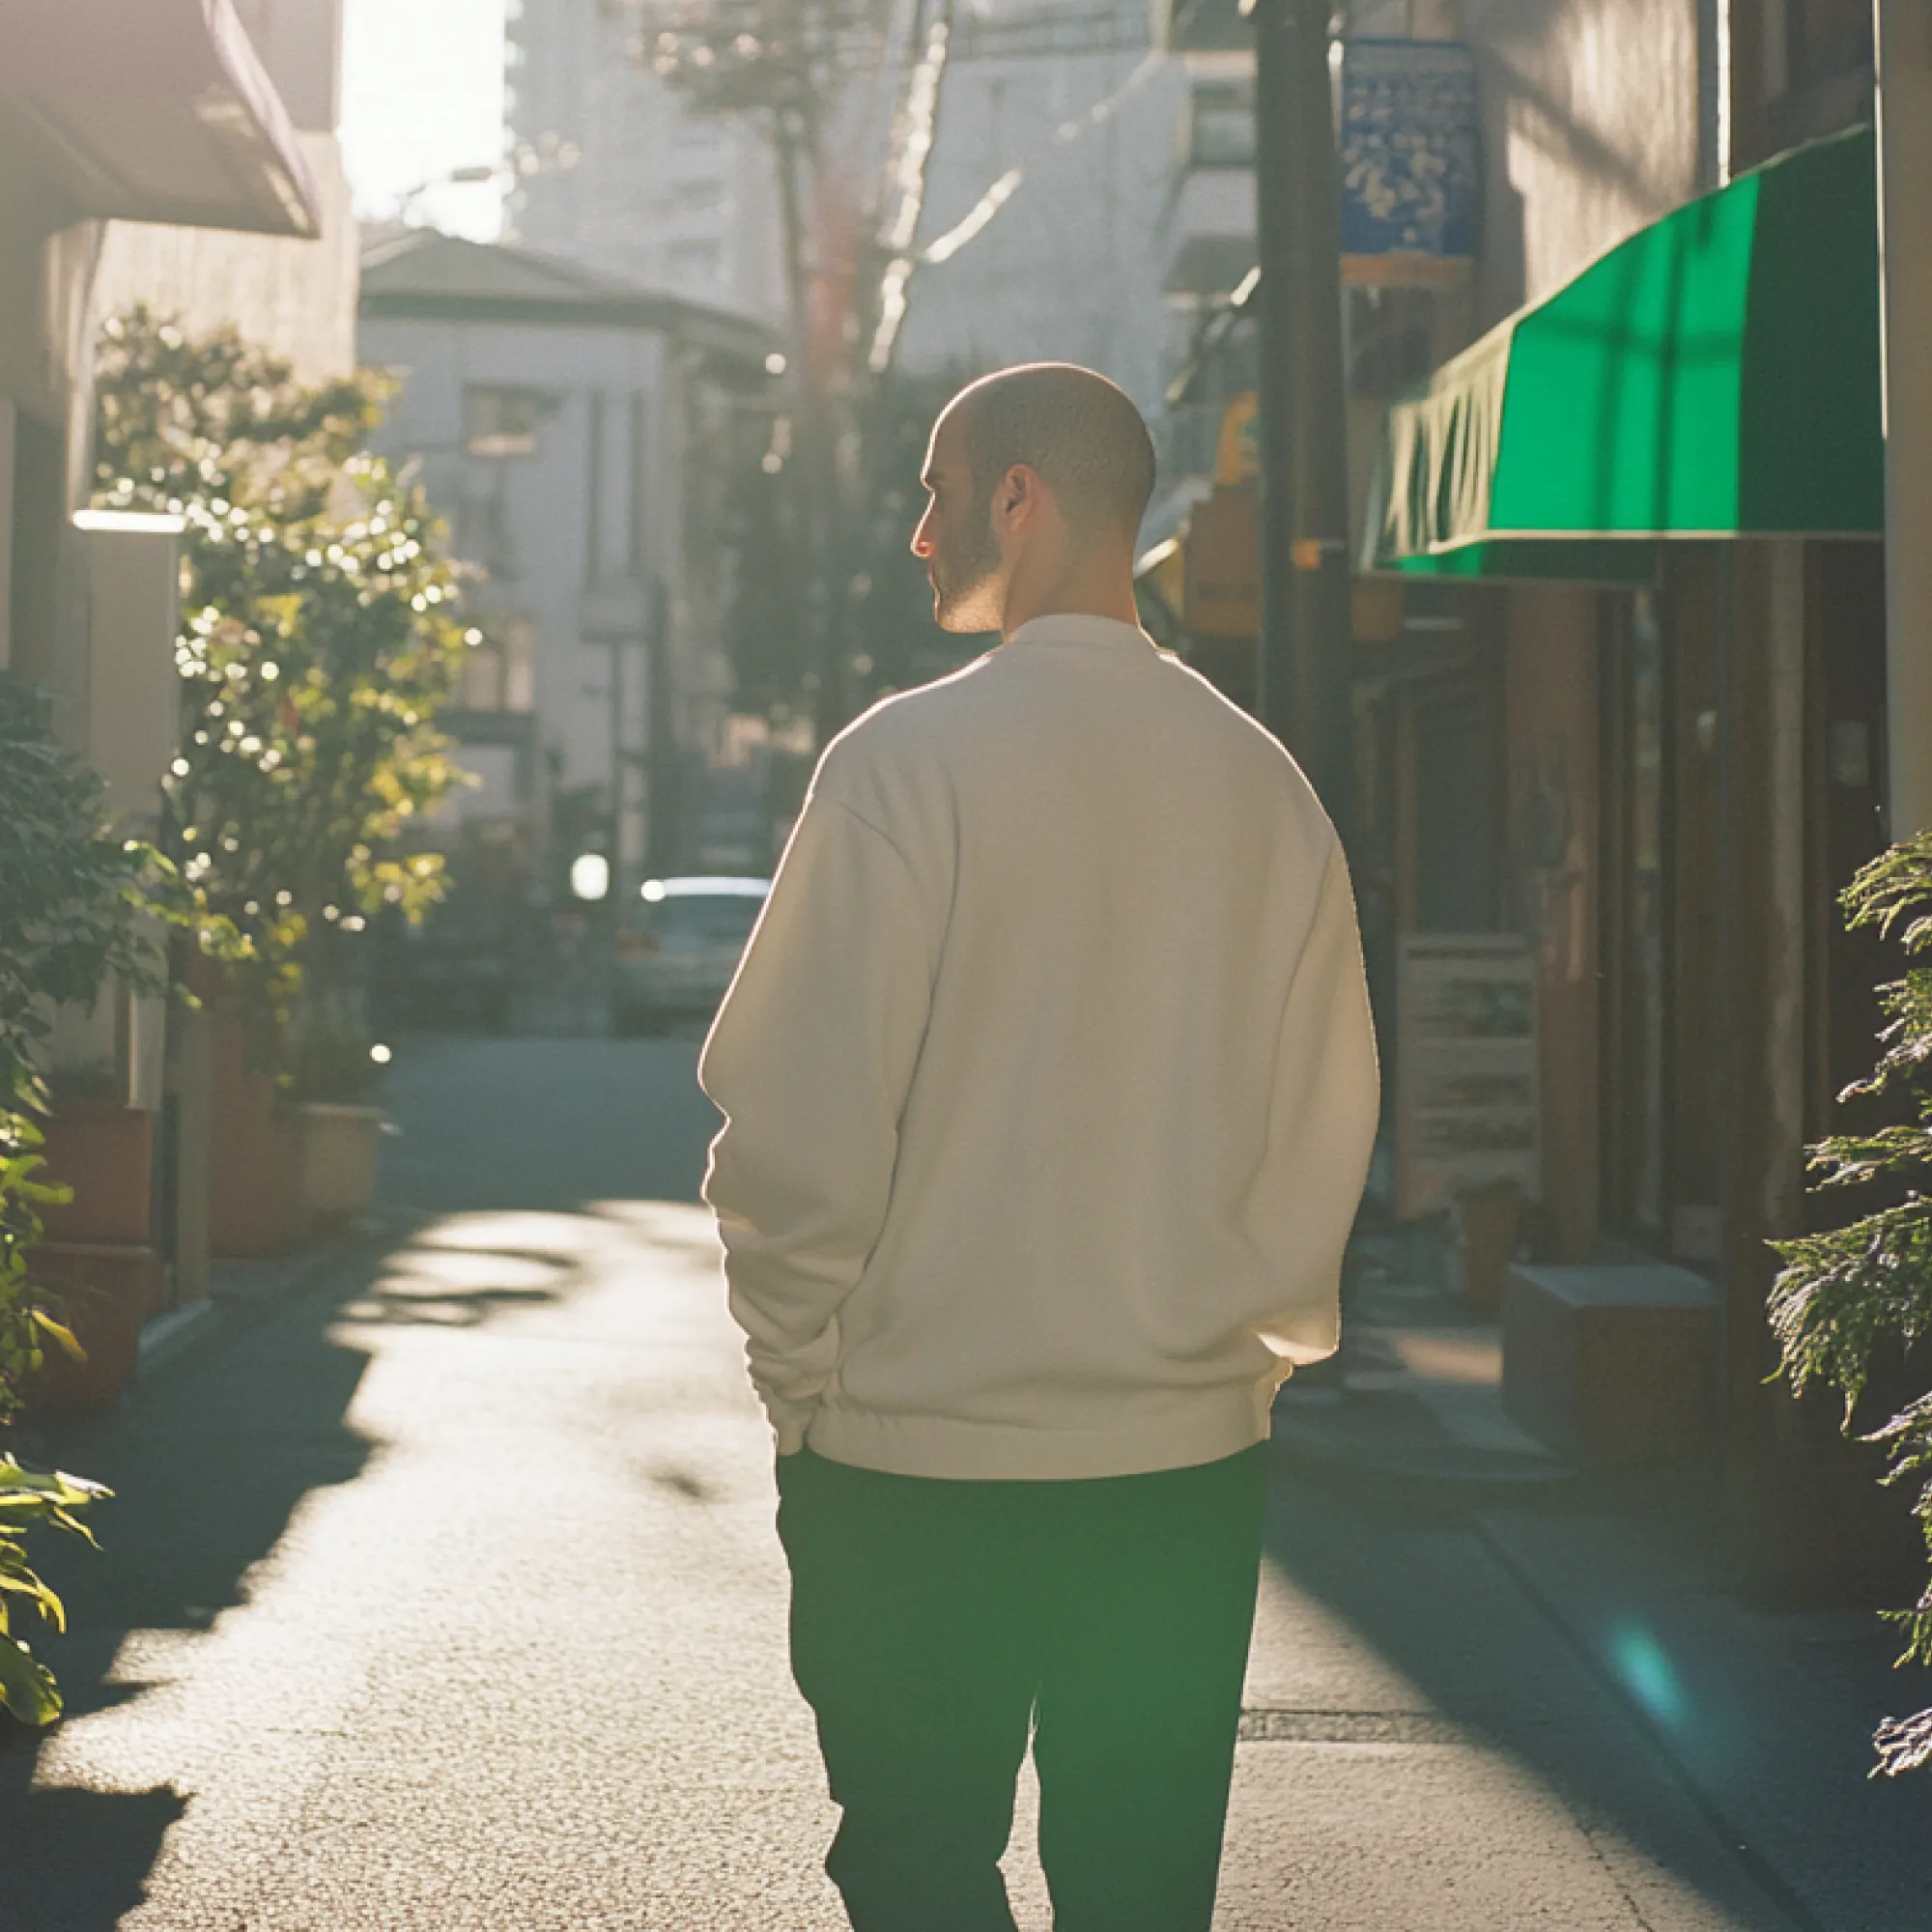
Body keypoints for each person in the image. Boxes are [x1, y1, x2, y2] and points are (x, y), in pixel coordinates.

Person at [698, 362, 1379, 1931]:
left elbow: (798, 1130)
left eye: (937, 496)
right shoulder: (1265, 788)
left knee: (920, 1866)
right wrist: (1242, 1363)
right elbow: (1322, 1123)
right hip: (1179, 1465)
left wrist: (801, 1382)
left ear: (1021, 497)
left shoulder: (901, 766)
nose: (921, 537)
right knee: (1144, 1892)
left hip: (910, 1458)